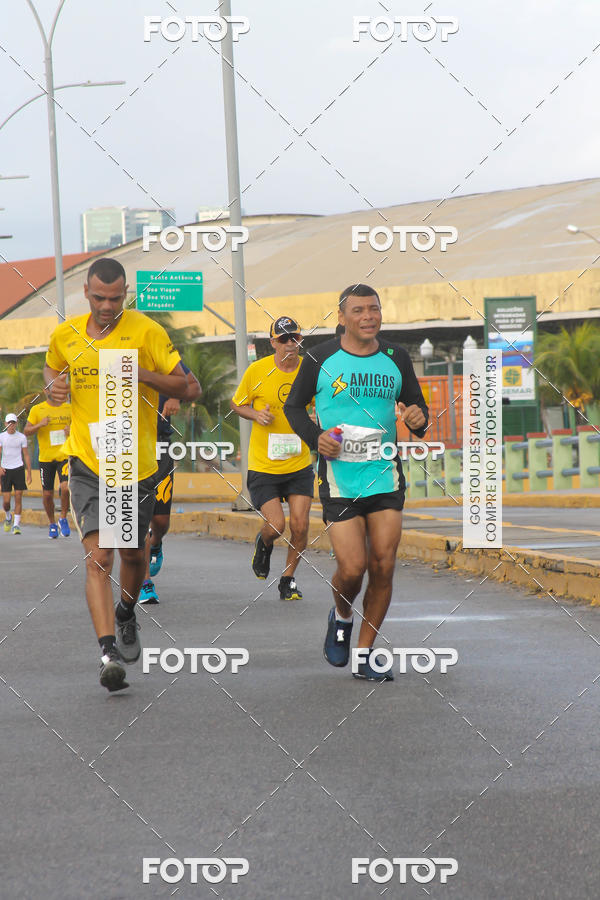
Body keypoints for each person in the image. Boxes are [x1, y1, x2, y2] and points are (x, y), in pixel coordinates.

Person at [43, 257, 187, 693]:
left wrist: (140, 373)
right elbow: (52, 368)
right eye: (100, 298)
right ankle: (107, 652)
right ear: (85, 292)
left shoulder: (146, 331)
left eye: (116, 298)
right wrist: (53, 385)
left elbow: (188, 387)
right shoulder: (65, 334)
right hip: (87, 461)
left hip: (133, 463)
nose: (108, 306)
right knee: (98, 557)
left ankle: (127, 611)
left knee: (130, 554)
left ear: (126, 294)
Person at [284, 284, 429, 681]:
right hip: (340, 481)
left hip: (385, 476)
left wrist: (418, 420)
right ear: (343, 317)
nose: (369, 316)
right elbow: (293, 406)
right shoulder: (321, 357)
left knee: (383, 566)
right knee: (352, 569)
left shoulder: (396, 357)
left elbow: (418, 409)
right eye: (360, 310)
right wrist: (316, 439)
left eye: (375, 309)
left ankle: (365, 654)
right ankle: (343, 615)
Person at [230, 316, 314, 601]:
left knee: (301, 525)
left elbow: (322, 403)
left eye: (296, 338)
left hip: (298, 462)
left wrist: (316, 418)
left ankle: (288, 579)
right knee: (277, 525)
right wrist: (256, 414)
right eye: (284, 339)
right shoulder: (258, 371)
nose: (291, 344)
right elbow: (237, 403)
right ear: (273, 343)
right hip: (264, 465)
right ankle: (264, 543)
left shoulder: (310, 370)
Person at [139, 363, 202, 604]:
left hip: (161, 446)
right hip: (128, 446)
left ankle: (156, 542)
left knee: (161, 521)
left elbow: (194, 386)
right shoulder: (113, 354)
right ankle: (145, 583)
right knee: (139, 518)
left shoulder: (163, 357)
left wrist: (176, 395)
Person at [25, 388, 72, 538]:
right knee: (47, 494)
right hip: (46, 459)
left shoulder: (69, 408)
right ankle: (52, 523)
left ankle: (63, 518)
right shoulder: (37, 409)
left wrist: (71, 430)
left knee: (65, 488)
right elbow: (26, 430)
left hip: (65, 456)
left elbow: (81, 428)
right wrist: (40, 425)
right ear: (46, 391)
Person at [0, 413, 32, 534]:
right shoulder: (1, 437)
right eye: (9, 423)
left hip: (18, 468)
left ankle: (16, 525)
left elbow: (26, 455)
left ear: (16, 423)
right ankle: (8, 516)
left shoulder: (21, 437)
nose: (11, 425)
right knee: (6, 502)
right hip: (6, 470)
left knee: (18, 496)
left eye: (13, 423)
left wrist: (29, 472)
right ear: (5, 424)